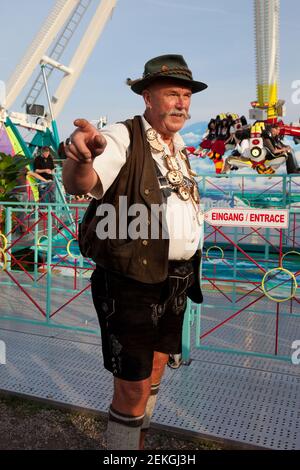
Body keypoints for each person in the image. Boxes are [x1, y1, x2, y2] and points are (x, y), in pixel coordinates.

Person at [62, 54, 206, 450]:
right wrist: (81, 158)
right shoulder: (122, 137)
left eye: (186, 95)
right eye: (172, 94)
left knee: (157, 367)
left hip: (176, 278)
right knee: (132, 385)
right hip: (131, 281)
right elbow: (82, 182)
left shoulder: (178, 145)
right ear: (147, 97)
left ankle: (136, 440)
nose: (182, 103)